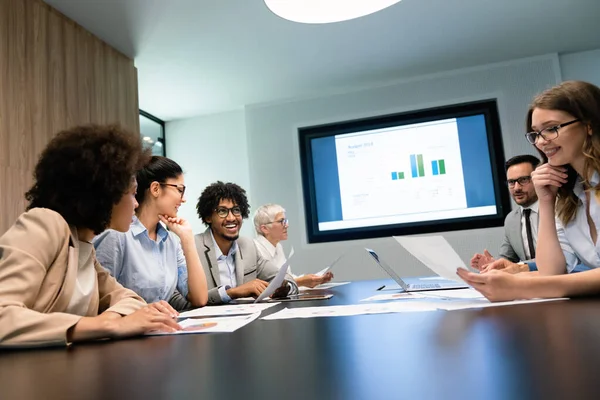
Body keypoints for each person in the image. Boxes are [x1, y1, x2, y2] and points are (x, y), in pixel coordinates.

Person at [0, 125, 181, 348]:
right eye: (133, 194)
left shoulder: (84, 247)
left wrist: (114, 320)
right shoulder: (44, 224)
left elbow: (131, 299)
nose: (135, 204)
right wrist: (105, 325)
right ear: (106, 192)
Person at [458, 80, 600, 301]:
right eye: (536, 133)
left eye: (552, 129)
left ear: (588, 125)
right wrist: (545, 200)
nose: (541, 142)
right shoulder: (571, 194)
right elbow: (551, 271)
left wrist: (521, 286)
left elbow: (550, 280)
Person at [94, 156, 208, 311]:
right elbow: (97, 300)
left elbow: (199, 298)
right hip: (125, 331)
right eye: (179, 190)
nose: (183, 199)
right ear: (155, 189)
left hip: (162, 330)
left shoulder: (170, 242)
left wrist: (187, 239)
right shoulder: (117, 235)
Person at [194, 182, 298, 305]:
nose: (231, 218)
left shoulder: (247, 245)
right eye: (222, 211)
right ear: (208, 217)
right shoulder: (193, 247)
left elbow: (286, 278)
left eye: (236, 210)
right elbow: (184, 301)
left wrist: (285, 288)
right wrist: (232, 292)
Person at [470, 155, 540, 273]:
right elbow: (507, 258)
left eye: (523, 180)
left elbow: (564, 257)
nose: (517, 188)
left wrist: (521, 266)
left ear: (537, 179)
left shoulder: (558, 211)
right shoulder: (511, 219)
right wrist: (495, 264)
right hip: (529, 284)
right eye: (511, 182)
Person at [253, 203, 333, 288]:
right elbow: (269, 286)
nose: (287, 225)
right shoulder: (255, 249)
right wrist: (302, 281)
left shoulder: (278, 246)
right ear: (265, 229)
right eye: (281, 221)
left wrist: (314, 280)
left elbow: (288, 277)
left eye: (285, 221)